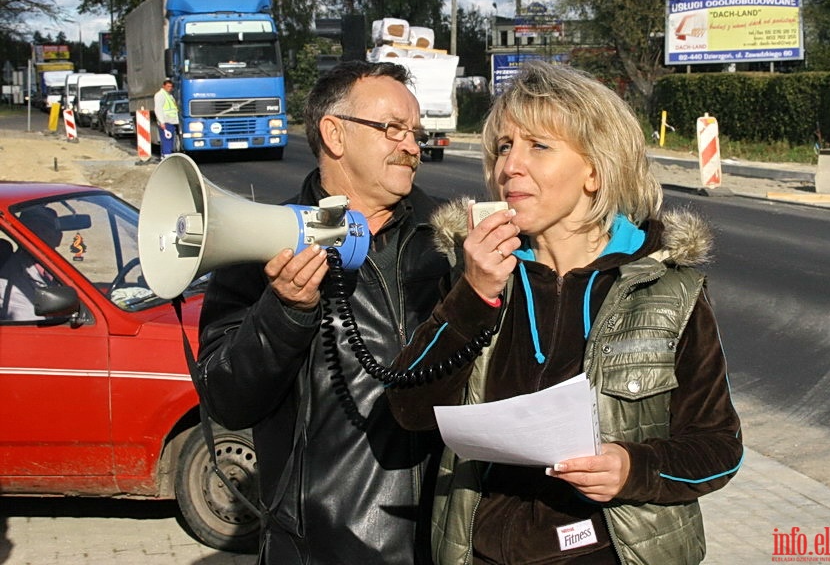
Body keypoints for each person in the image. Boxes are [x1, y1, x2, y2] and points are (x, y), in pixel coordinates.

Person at [387, 60, 744, 565]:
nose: (510, 166)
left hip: (606, 552)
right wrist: (473, 294)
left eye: (539, 146)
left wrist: (632, 467)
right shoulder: (480, 273)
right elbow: (410, 409)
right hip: (481, 551)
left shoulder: (669, 291)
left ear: (596, 170)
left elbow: (718, 450)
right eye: (504, 147)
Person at [195, 60, 450, 563]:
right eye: (392, 129)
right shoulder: (259, 241)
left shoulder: (449, 238)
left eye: (416, 132)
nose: (413, 146)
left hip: (446, 537)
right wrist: (284, 311)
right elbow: (227, 399)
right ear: (334, 133)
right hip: (322, 546)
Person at [0, 206, 63, 321]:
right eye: (35, 229)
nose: (42, 233)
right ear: (22, 237)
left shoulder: (55, 267)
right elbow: (35, 322)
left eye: (47, 227)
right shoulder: (13, 280)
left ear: (59, 237)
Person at [153, 79, 178, 158]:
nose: (169, 88)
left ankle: (165, 156)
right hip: (166, 121)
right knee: (167, 140)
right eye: (168, 86)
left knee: (169, 141)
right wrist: (162, 122)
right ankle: (167, 157)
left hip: (171, 122)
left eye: (171, 86)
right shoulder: (160, 95)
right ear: (163, 86)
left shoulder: (169, 95)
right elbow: (158, 109)